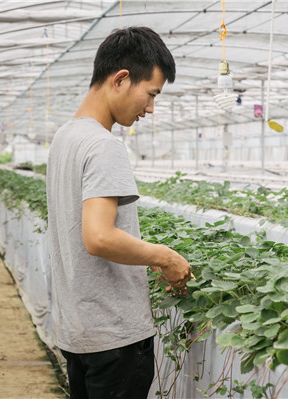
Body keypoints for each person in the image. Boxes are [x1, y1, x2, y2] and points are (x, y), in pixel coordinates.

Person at [46, 27, 192, 399]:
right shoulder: (104, 145)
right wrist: (166, 257)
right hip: (114, 336)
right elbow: (99, 237)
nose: (150, 108)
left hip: (78, 331)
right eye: (151, 94)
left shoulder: (65, 137)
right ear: (121, 79)